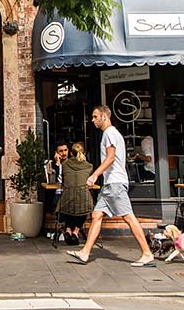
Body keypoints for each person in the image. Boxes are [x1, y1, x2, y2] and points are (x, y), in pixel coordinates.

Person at [67, 105, 155, 267]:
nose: (92, 120)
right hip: (110, 184)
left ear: (104, 117)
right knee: (97, 215)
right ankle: (85, 253)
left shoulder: (109, 133)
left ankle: (147, 253)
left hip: (115, 183)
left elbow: (110, 158)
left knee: (128, 216)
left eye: (95, 117)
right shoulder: (112, 134)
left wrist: (95, 175)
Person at [58, 142, 94, 245]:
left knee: (67, 207)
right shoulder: (89, 166)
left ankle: (68, 230)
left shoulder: (65, 165)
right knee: (83, 208)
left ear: (71, 153)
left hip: (67, 198)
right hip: (83, 198)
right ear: (84, 153)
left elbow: (63, 181)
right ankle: (76, 232)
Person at [45, 142, 69, 212]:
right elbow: (52, 180)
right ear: (56, 153)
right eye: (61, 151)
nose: (64, 153)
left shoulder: (71, 163)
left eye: (65, 150)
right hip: (57, 193)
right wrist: (57, 163)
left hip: (68, 192)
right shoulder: (52, 164)